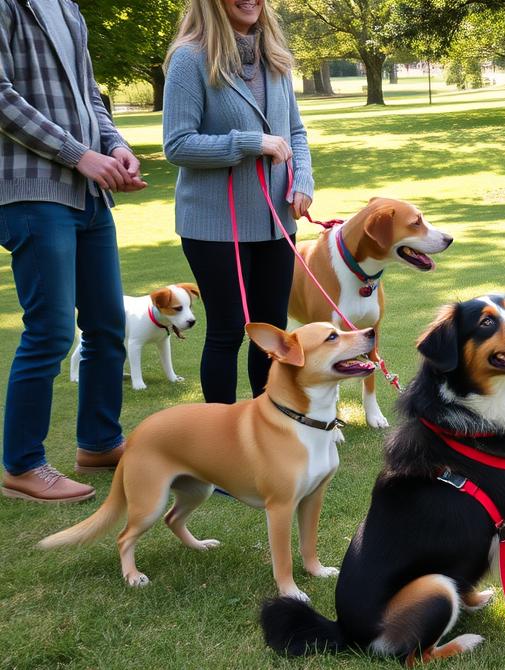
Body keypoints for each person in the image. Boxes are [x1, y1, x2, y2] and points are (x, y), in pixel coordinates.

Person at [0, 0, 147, 502]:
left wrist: (114, 145)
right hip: (32, 192)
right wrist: (77, 154)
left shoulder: (67, 8)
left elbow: (90, 95)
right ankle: (22, 464)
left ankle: (100, 443)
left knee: (107, 322)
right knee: (51, 330)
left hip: (88, 195)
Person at [162, 0, 313, 404]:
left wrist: (303, 180)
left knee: (271, 330)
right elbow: (177, 145)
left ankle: (272, 428)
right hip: (213, 224)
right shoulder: (189, 58)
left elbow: (295, 132)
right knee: (228, 329)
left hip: (276, 221)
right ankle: (219, 438)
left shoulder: (275, 56)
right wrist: (249, 144)